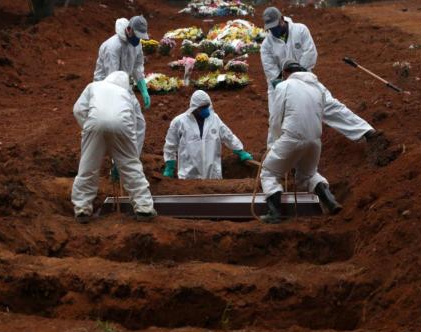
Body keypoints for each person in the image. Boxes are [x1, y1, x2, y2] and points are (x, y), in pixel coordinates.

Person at [260, 6, 384, 144]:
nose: (273, 31)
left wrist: (298, 75)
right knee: (277, 119)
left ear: (282, 19)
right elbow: (272, 74)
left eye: (275, 27)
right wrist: (288, 82)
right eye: (270, 29)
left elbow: (310, 54)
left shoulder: (300, 30)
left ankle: (365, 131)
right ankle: (273, 154)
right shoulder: (266, 45)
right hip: (280, 87)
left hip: (305, 76)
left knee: (328, 104)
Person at [261, 61, 342, 224]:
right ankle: (330, 201)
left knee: (269, 173)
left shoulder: (284, 86)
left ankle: (275, 213)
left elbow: (276, 119)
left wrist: (273, 145)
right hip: (315, 141)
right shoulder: (317, 88)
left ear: (285, 73)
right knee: (308, 175)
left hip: (292, 137)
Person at [71, 71, 156, 223]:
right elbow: (138, 124)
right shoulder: (128, 95)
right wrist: (131, 152)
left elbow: (78, 110)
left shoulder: (93, 86)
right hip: (122, 126)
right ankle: (144, 208)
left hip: (94, 123)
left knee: (88, 167)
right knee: (131, 166)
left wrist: (89, 128)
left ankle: (82, 209)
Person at [94, 15, 151, 158]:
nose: (138, 40)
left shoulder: (136, 44)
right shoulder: (112, 47)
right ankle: (118, 162)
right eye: (137, 36)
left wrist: (143, 88)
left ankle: (131, 160)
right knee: (119, 126)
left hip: (125, 87)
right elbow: (112, 76)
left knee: (139, 123)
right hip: (106, 90)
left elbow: (137, 66)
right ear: (129, 29)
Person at [162, 90, 253, 179]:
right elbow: (170, 144)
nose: (206, 110)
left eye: (207, 106)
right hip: (189, 175)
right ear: (195, 107)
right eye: (202, 107)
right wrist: (170, 165)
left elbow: (227, 135)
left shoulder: (214, 119)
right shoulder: (180, 122)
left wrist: (240, 150)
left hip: (213, 175)